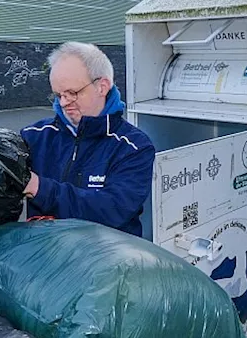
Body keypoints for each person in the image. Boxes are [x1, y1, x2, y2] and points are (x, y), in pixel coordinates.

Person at [21, 42, 154, 236]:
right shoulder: (34, 136)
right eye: (59, 95)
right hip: (46, 257)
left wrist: (39, 187)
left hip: (107, 260)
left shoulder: (134, 147)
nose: (64, 103)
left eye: (72, 93)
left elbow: (111, 210)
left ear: (102, 86)